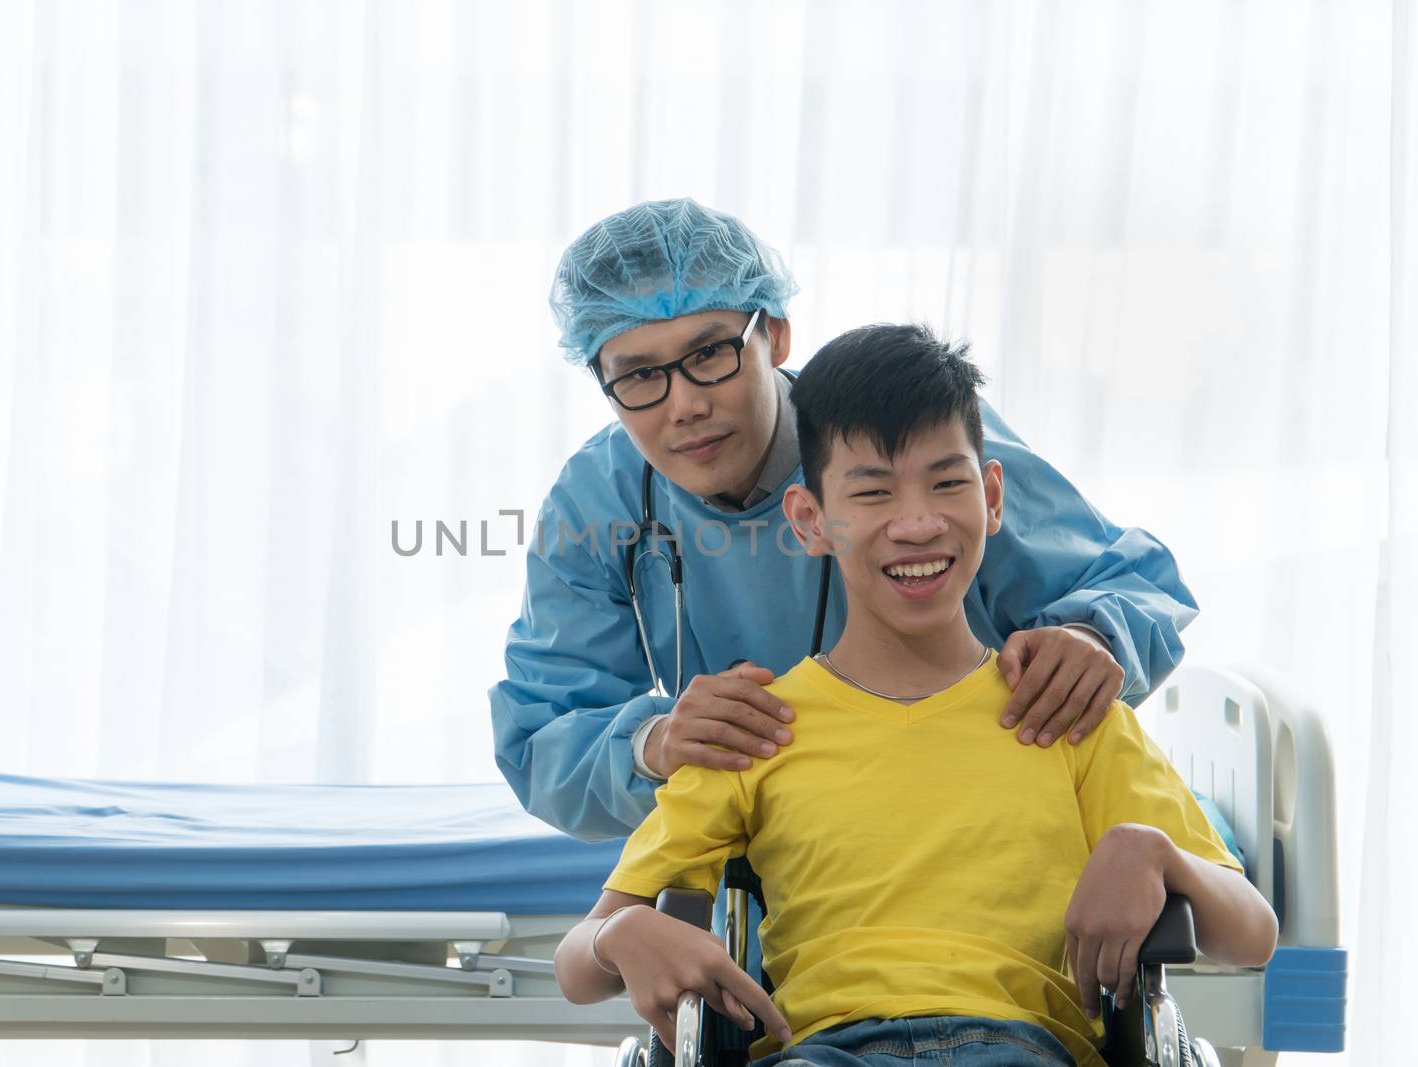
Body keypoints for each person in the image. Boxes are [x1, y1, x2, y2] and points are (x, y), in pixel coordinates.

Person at [552, 323, 1277, 1067]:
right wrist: (618, 933)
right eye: (871, 491)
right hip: (824, 1051)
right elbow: (577, 965)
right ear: (810, 520)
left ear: (992, 497)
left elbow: (1252, 931)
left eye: (947, 482)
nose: (918, 522)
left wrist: (1153, 851)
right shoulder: (757, 729)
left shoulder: (1065, 712)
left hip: (1021, 1049)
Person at [490, 197, 1198, 843]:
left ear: (776, 334)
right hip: (788, 871)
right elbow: (541, 739)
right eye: (640, 375)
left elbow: (1134, 584)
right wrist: (657, 741)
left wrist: (1087, 636)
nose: (684, 406)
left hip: (980, 822)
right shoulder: (597, 503)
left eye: (710, 353)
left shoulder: (902, 434)